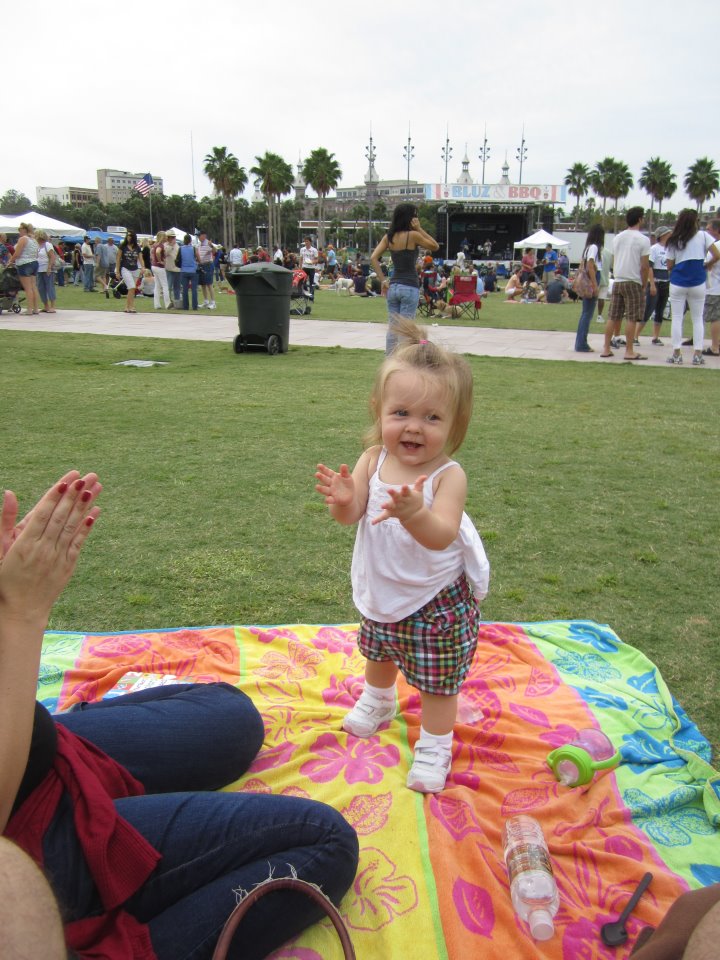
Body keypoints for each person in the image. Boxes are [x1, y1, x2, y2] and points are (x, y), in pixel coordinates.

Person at [0, 471, 359, 960]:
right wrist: (20, 614)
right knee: (325, 841)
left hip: (45, 753)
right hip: (35, 846)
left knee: (232, 718)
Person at [315, 319, 490, 794]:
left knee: (438, 682)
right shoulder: (373, 459)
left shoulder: (448, 476)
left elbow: (441, 535)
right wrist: (343, 499)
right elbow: (351, 516)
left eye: (432, 418)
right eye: (401, 412)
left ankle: (435, 744)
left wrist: (415, 514)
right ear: (379, 411)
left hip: (434, 601)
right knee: (379, 649)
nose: (414, 426)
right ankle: (379, 699)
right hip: (384, 587)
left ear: (455, 424)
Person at [370, 203, 440, 354]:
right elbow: (435, 246)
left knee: (393, 328)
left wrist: (383, 280)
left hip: (393, 286)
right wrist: (419, 229)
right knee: (406, 330)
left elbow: (373, 257)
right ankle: (403, 360)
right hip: (409, 286)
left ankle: (390, 360)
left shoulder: (389, 237)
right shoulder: (413, 235)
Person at [665, 209, 719, 366]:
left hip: (678, 281)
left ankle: (676, 354)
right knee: (697, 319)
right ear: (695, 222)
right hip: (698, 281)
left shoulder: (674, 239)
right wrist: (706, 265)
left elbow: (669, 265)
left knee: (677, 318)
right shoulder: (703, 236)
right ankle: (697, 354)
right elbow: (717, 254)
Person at [601, 207, 650, 360]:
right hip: (633, 280)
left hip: (618, 280)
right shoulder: (643, 239)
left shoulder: (618, 238)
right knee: (632, 317)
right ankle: (629, 351)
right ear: (640, 219)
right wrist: (644, 283)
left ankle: (606, 348)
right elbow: (645, 266)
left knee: (613, 316)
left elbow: (615, 259)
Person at [637, 225, 671, 346]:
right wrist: (651, 284)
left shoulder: (670, 249)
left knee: (660, 311)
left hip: (665, 282)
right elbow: (650, 267)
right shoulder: (654, 249)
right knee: (648, 309)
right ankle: (635, 336)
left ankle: (655, 337)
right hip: (655, 282)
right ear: (662, 235)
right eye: (668, 233)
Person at [574, 224, 604, 352]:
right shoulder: (594, 248)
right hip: (593, 278)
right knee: (587, 313)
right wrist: (595, 285)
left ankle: (580, 342)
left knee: (586, 313)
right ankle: (581, 343)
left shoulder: (588, 247)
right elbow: (590, 266)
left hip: (590, 279)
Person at [6, 222, 40, 315]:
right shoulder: (34, 240)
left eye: (20, 229)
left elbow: (17, 253)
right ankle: (35, 308)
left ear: (24, 230)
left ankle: (29, 309)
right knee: (33, 287)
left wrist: (10, 262)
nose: (19, 231)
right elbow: (37, 254)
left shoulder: (23, 239)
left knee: (27, 288)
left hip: (24, 264)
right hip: (34, 263)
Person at [701, 218, 720, 357]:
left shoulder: (715, 247)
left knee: (715, 318)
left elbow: (707, 265)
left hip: (715, 287)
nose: (707, 232)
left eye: (709, 229)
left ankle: (714, 346)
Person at [115, 230, 144, 314]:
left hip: (135, 269)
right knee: (131, 286)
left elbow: (140, 258)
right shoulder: (122, 246)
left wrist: (143, 267)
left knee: (132, 289)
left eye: (130, 236)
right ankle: (132, 306)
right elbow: (118, 259)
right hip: (125, 268)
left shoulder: (137, 247)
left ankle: (127, 306)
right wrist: (117, 271)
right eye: (127, 235)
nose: (128, 237)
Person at [35, 229, 57, 314]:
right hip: (39, 269)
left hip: (47, 268)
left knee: (50, 287)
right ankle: (46, 305)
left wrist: (49, 267)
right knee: (40, 288)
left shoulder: (48, 245)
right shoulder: (37, 246)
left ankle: (53, 306)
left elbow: (52, 257)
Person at [150, 231, 172, 310]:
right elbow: (158, 252)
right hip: (159, 267)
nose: (166, 238)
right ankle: (167, 303)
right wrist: (160, 261)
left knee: (157, 286)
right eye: (165, 236)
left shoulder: (155, 245)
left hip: (154, 266)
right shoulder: (160, 245)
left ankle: (157, 304)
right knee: (165, 285)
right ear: (162, 237)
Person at [179, 233, 200, 311]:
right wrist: (198, 262)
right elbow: (198, 258)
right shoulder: (194, 248)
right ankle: (194, 306)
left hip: (183, 270)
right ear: (190, 240)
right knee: (194, 289)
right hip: (193, 270)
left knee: (185, 290)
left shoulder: (180, 248)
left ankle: (185, 306)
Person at [195, 231, 216, 309]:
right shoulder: (198, 244)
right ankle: (206, 301)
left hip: (208, 265)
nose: (198, 237)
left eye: (199, 235)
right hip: (201, 265)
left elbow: (214, 252)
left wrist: (211, 246)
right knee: (203, 284)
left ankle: (213, 302)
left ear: (204, 236)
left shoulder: (208, 243)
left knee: (209, 284)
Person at [164, 233, 181, 304]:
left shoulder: (177, 246)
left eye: (174, 237)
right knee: (169, 286)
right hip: (169, 269)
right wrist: (170, 246)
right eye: (171, 237)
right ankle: (168, 302)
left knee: (177, 287)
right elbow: (165, 254)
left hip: (177, 269)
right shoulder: (165, 245)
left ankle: (177, 302)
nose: (173, 238)